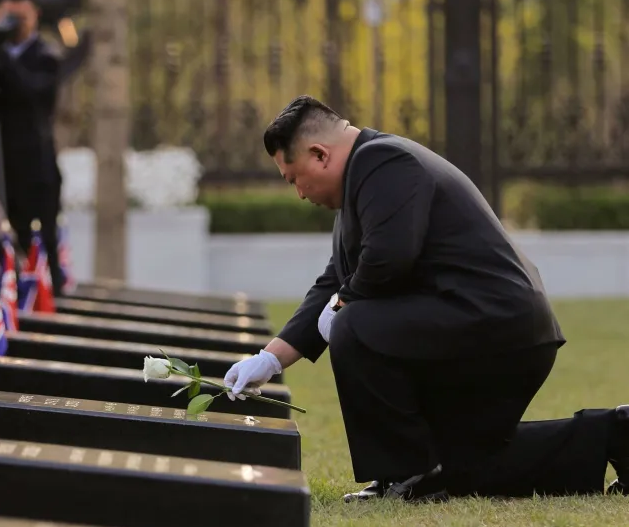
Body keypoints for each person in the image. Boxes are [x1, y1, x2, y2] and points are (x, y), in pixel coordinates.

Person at [223, 95, 629, 502]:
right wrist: (270, 358)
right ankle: (617, 433)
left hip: (494, 326)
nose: (298, 193)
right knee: (466, 467)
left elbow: (388, 258)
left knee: (355, 326)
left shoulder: (384, 161)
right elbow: (337, 280)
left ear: (319, 154)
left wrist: (343, 308)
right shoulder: (366, 176)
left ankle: (407, 472)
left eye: (294, 178)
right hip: (488, 328)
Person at [0, 0, 64, 295]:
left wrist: (4, 57)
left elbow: (34, 95)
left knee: (39, 240)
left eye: (20, 18)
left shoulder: (47, 55)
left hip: (34, 166)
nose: (12, 25)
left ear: (35, 16)